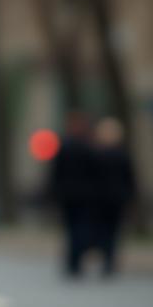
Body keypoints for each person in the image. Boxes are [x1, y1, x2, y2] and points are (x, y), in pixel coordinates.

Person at [46, 109, 95, 277]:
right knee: (77, 228)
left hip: (71, 195)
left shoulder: (66, 146)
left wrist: (53, 192)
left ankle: (73, 260)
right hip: (81, 195)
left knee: (73, 228)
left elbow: (55, 172)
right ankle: (75, 260)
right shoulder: (88, 146)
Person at [91, 116, 135, 276]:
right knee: (114, 231)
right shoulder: (122, 155)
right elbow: (129, 178)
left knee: (102, 229)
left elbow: (91, 178)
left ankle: (104, 256)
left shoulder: (96, 155)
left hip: (100, 200)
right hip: (117, 199)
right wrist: (129, 196)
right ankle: (109, 260)